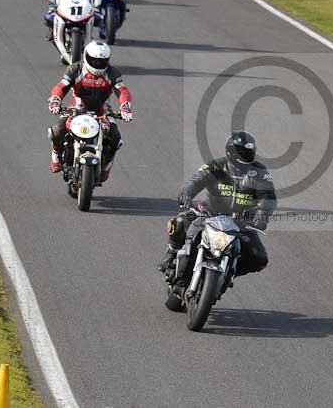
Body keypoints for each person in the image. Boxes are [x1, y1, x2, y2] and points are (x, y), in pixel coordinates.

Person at [159, 131, 276, 282]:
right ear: (231, 151)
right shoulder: (215, 167)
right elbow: (195, 181)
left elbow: (268, 196)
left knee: (259, 259)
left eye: (249, 151)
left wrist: (262, 216)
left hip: (241, 221)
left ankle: (228, 272)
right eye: (242, 151)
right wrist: (186, 194)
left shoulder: (260, 172)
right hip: (209, 212)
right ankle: (171, 254)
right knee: (179, 222)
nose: (246, 155)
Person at [47, 41, 133, 183]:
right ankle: (56, 156)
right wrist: (56, 99)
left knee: (116, 139)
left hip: (102, 112)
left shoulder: (112, 72)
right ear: (86, 56)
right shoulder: (75, 69)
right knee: (56, 131)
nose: (97, 64)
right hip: (76, 110)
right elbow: (61, 86)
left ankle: (106, 166)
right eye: (94, 60)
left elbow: (122, 91)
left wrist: (125, 107)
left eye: (101, 61)